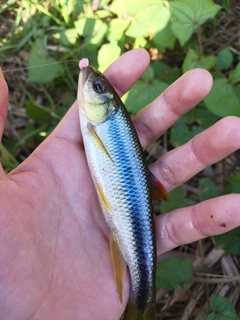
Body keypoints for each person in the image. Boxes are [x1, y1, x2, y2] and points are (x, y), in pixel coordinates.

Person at [0, 49, 239, 320]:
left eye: (97, 87)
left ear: (107, 105)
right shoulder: (97, 121)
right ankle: (142, 303)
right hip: (128, 205)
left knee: (138, 258)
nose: (90, 81)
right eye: (99, 86)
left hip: (129, 210)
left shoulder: (98, 122)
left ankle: (142, 302)